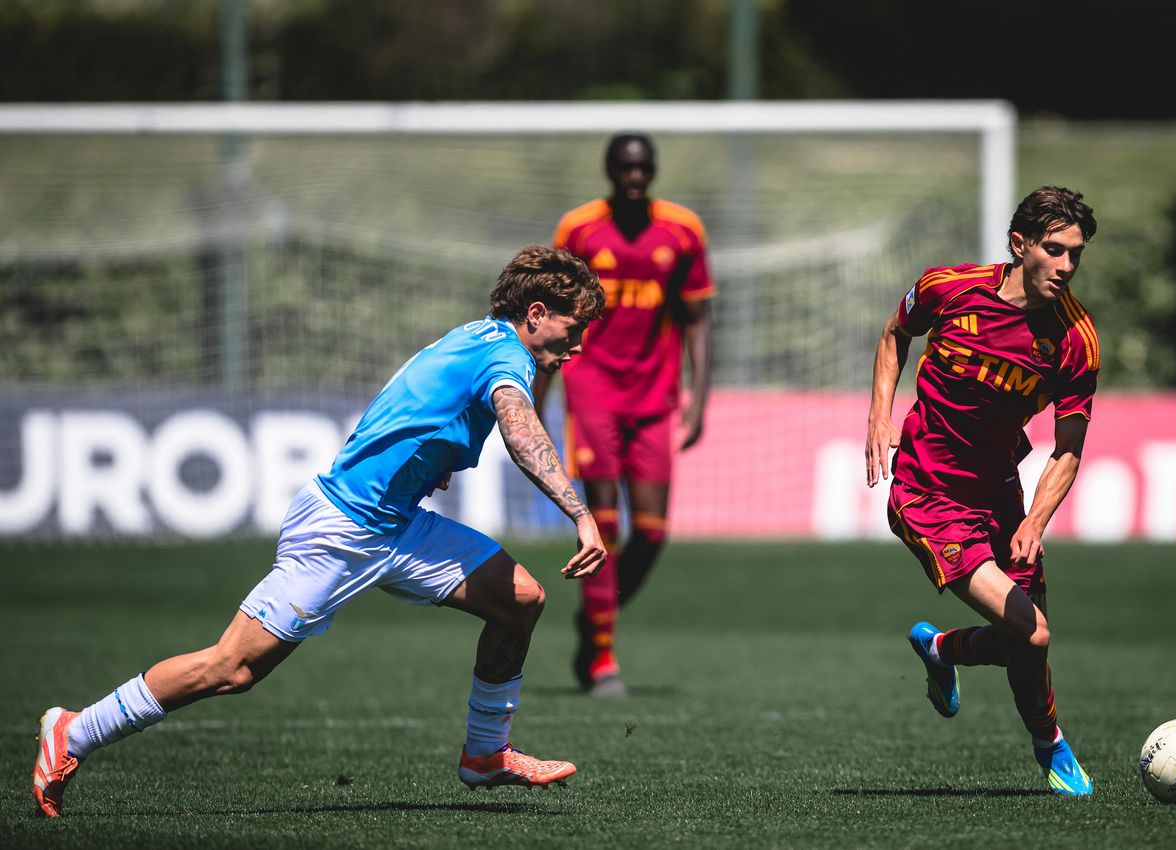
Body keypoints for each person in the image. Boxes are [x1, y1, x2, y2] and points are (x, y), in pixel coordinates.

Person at [31, 245, 608, 818]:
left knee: (520, 599)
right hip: (342, 529)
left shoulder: (476, 337)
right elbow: (520, 430)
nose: (578, 345)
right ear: (535, 313)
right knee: (233, 668)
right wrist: (581, 515)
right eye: (573, 328)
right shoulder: (507, 359)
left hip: (395, 525)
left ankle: (485, 754)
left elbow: (405, 405)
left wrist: (420, 466)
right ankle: (75, 731)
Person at [865, 186, 1100, 796]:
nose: (1067, 266)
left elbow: (1068, 447)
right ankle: (1051, 744)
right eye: (1056, 250)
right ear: (1020, 245)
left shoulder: (1074, 339)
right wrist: (879, 415)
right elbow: (895, 333)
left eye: (1077, 253)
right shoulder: (950, 288)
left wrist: (1035, 522)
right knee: (1034, 631)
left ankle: (942, 649)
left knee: (1029, 636)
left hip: (1000, 492)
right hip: (928, 497)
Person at [536, 132, 714, 697]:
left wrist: (699, 398)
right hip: (592, 387)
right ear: (611, 171)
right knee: (604, 525)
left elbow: (696, 319)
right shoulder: (580, 229)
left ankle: (595, 620)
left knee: (654, 532)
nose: (634, 178)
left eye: (643, 169)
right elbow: (550, 317)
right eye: (625, 169)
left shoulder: (682, 230)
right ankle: (602, 658)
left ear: (653, 171)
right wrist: (538, 395)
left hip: (655, 393)